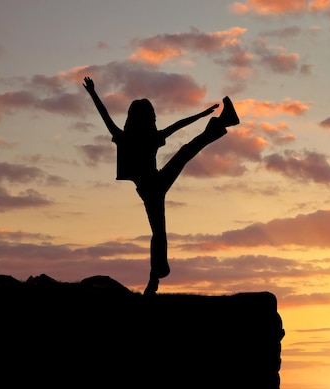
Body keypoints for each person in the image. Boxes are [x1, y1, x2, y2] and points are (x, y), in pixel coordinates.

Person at [83, 76, 239, 295]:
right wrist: (92, 92)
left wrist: (92, 92)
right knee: (185, 154)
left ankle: (154, 281)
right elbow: (176, 125)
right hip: (153, 187)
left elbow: (106, 115)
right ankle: (223, 122)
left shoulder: (126, 136)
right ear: (147, 118)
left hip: (152, 186)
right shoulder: (140, 137)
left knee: (159, 231)